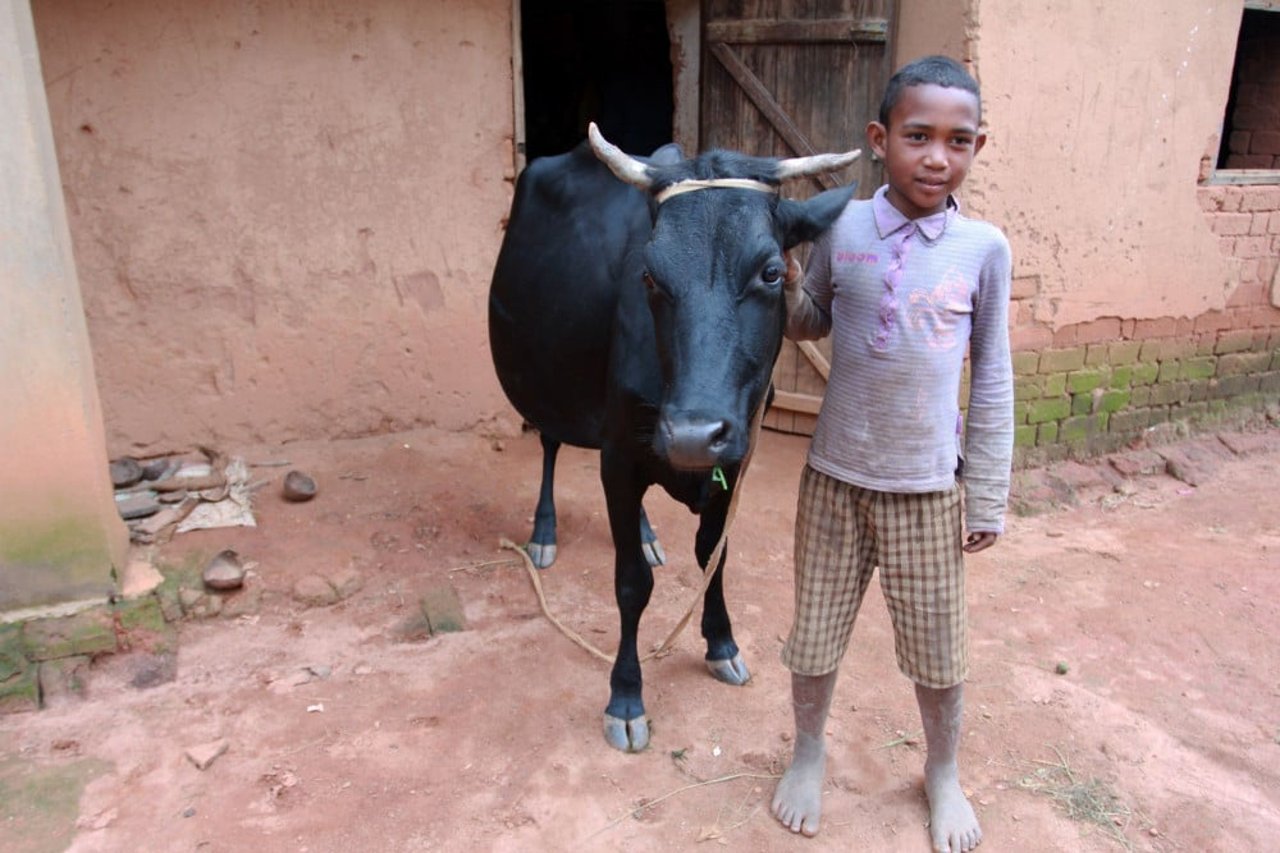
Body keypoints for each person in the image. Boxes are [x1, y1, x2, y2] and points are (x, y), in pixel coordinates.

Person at [770, 55, 1013, 853]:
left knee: (940, 653)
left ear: (978, 147)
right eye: (917, 136)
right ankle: (808, 749)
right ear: (880, 139)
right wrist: (784, 278)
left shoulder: (983, 248)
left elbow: (994, 375)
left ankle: (941, 772)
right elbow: (809, 323)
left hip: (927, 489)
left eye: (959, 140)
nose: (937, 157)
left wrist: (986, 495)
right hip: (836, 478)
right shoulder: (842, 226)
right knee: (815, 636)